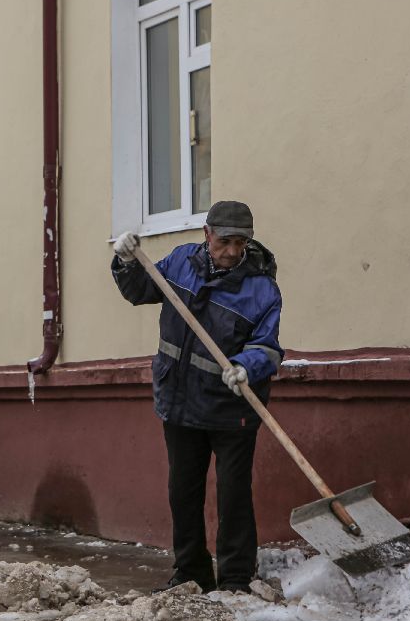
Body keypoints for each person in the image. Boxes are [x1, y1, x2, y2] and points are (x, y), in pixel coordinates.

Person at [110, 200, 283, 593]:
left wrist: (246, 365)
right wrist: (125, 262)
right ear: (207, 234)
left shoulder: (262, 288)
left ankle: (237, 579)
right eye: (225, 241)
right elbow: (140, 291)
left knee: (233, 496)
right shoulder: (179, 262)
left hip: (232, 408)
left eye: (241, 243)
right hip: (180, 398)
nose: (232, 251)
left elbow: (268, 345)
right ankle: (191, 573)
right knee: (183, 493)